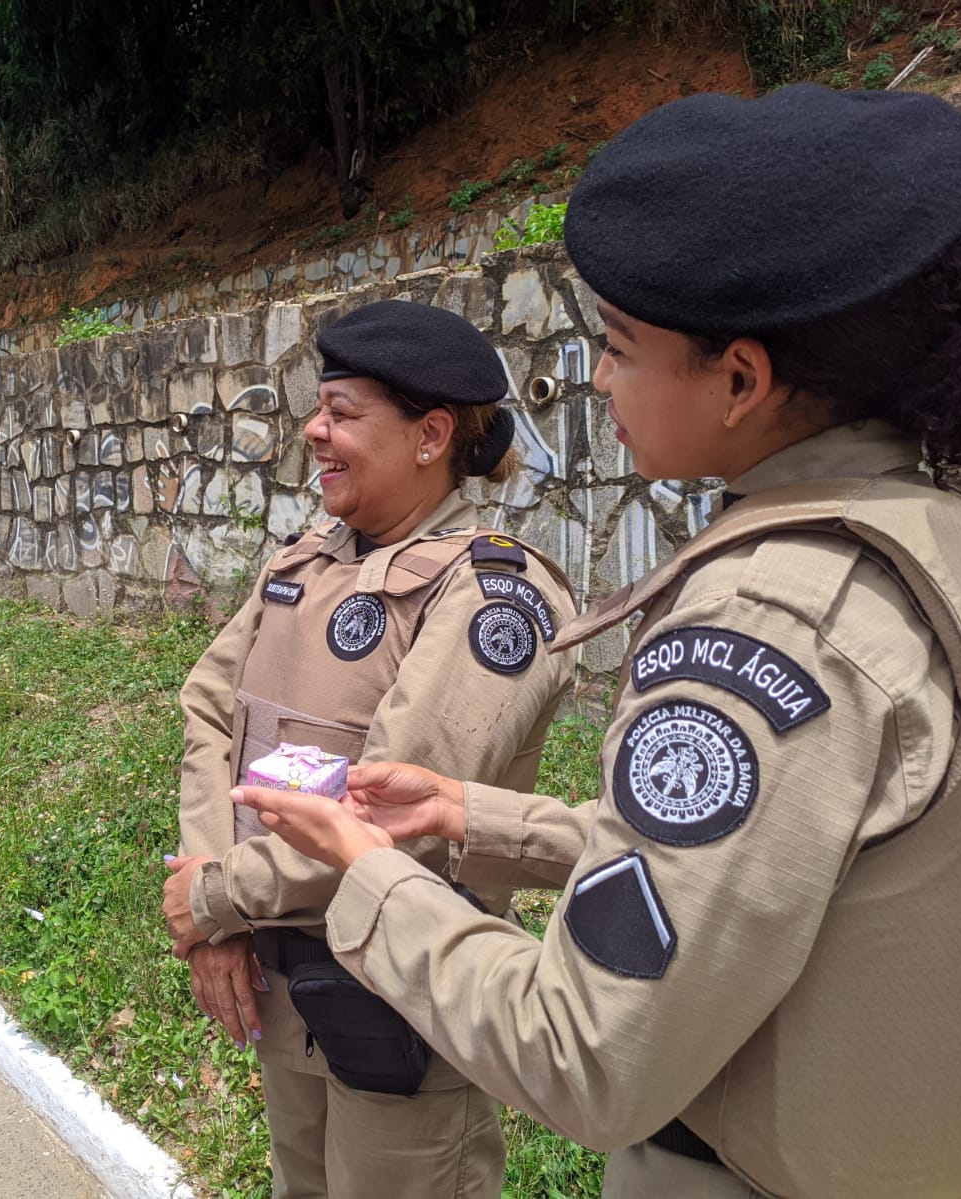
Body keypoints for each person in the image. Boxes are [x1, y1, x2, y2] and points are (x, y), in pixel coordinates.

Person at [230, 85, 961, 1199]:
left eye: (620, 347)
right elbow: (774, 862)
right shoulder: (940, 534)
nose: (600, 380)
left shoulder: (771, 623)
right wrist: (478, 816)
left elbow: (585, 1048)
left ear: (740, 378)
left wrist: (366, 866)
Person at [163, 300, 578, 1197]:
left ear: (431, 435)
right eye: (320, 408)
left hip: (399, 1007)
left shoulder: (493, 597)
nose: (313, 430)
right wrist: (212, 891)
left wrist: (216, 896)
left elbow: (392, 822)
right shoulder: (303, 563)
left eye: (343, 413)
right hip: (282, 995)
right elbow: (209, 709)